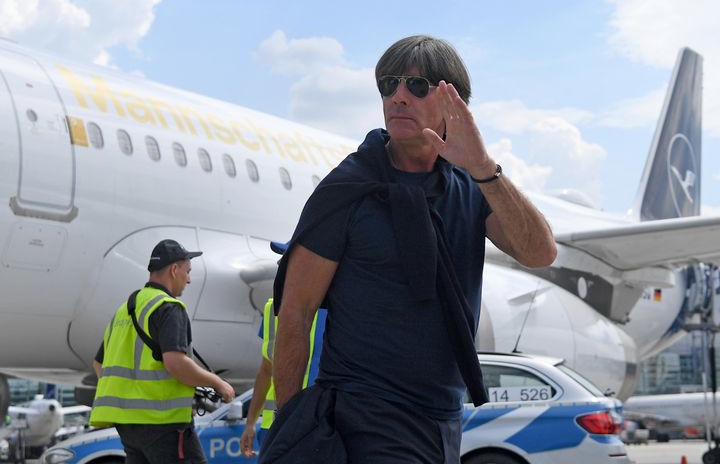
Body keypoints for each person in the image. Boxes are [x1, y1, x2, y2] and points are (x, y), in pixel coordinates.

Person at [266, 35, 557, 463]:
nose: (398, 97)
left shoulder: (470, 186)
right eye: (389, 84)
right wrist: (291, 428)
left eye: (417, 86)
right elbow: (294, 314)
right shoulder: (347, 189)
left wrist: (482, 168)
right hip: (363, 419)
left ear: (453, 100)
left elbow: (540, 253)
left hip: (442, 421)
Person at [90, 239, 235, 464]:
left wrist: (131, 394)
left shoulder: (126, 309)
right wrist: (218, 383)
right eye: (187, 271)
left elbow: (99, 364)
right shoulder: (168, 307)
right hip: (164, 423)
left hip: (127, 425)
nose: (188, 279)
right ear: (174, 269)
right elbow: (176, 363)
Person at [239, 295, 326, 458]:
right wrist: (250, 423)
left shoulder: (336, 306)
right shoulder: (273, 307)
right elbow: (266, 370)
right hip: (274, 426)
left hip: (317, 425)